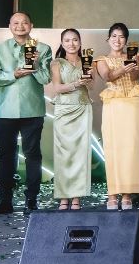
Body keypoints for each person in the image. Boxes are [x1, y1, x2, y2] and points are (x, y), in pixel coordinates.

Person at [0, 11, 52, 215]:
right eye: (16, 23)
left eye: (24, 22)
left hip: (32, 110)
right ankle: (4, 201)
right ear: (10, 26)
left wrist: (35, 67)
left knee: (33, 155)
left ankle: (31, 200)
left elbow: (46, 79)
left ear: (31, 26)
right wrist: (13, 74)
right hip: (4, 110)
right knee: (5, 156)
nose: (20, 26)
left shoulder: (43, 49)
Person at [95, 22, 139, 210]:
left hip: (134, 102)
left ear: (126, 40)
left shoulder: (135, 55)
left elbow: (135, 77)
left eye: (122, 36)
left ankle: (127, 194)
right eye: (114, 36)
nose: (117, 40)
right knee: (113, 146)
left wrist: (133, 65)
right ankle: (112, 193)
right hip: (114, 103)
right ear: (108, 39)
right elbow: (107, 76)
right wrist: (124, 68)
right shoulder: (101, 59)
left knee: (132, 148)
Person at [50, 29, 93, 210]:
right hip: (64, 109)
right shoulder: (56, 63)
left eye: (75, 40)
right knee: (63, 154)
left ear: (80, 42)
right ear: (62, 43)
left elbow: (92, 85)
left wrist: (88, 78)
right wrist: (76, 83)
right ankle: (63, 197)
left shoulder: (87, 61)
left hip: (83, 107)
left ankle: (76, 197)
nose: (71, 44)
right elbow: (57, 88)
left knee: (80, 154)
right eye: (67, 40)